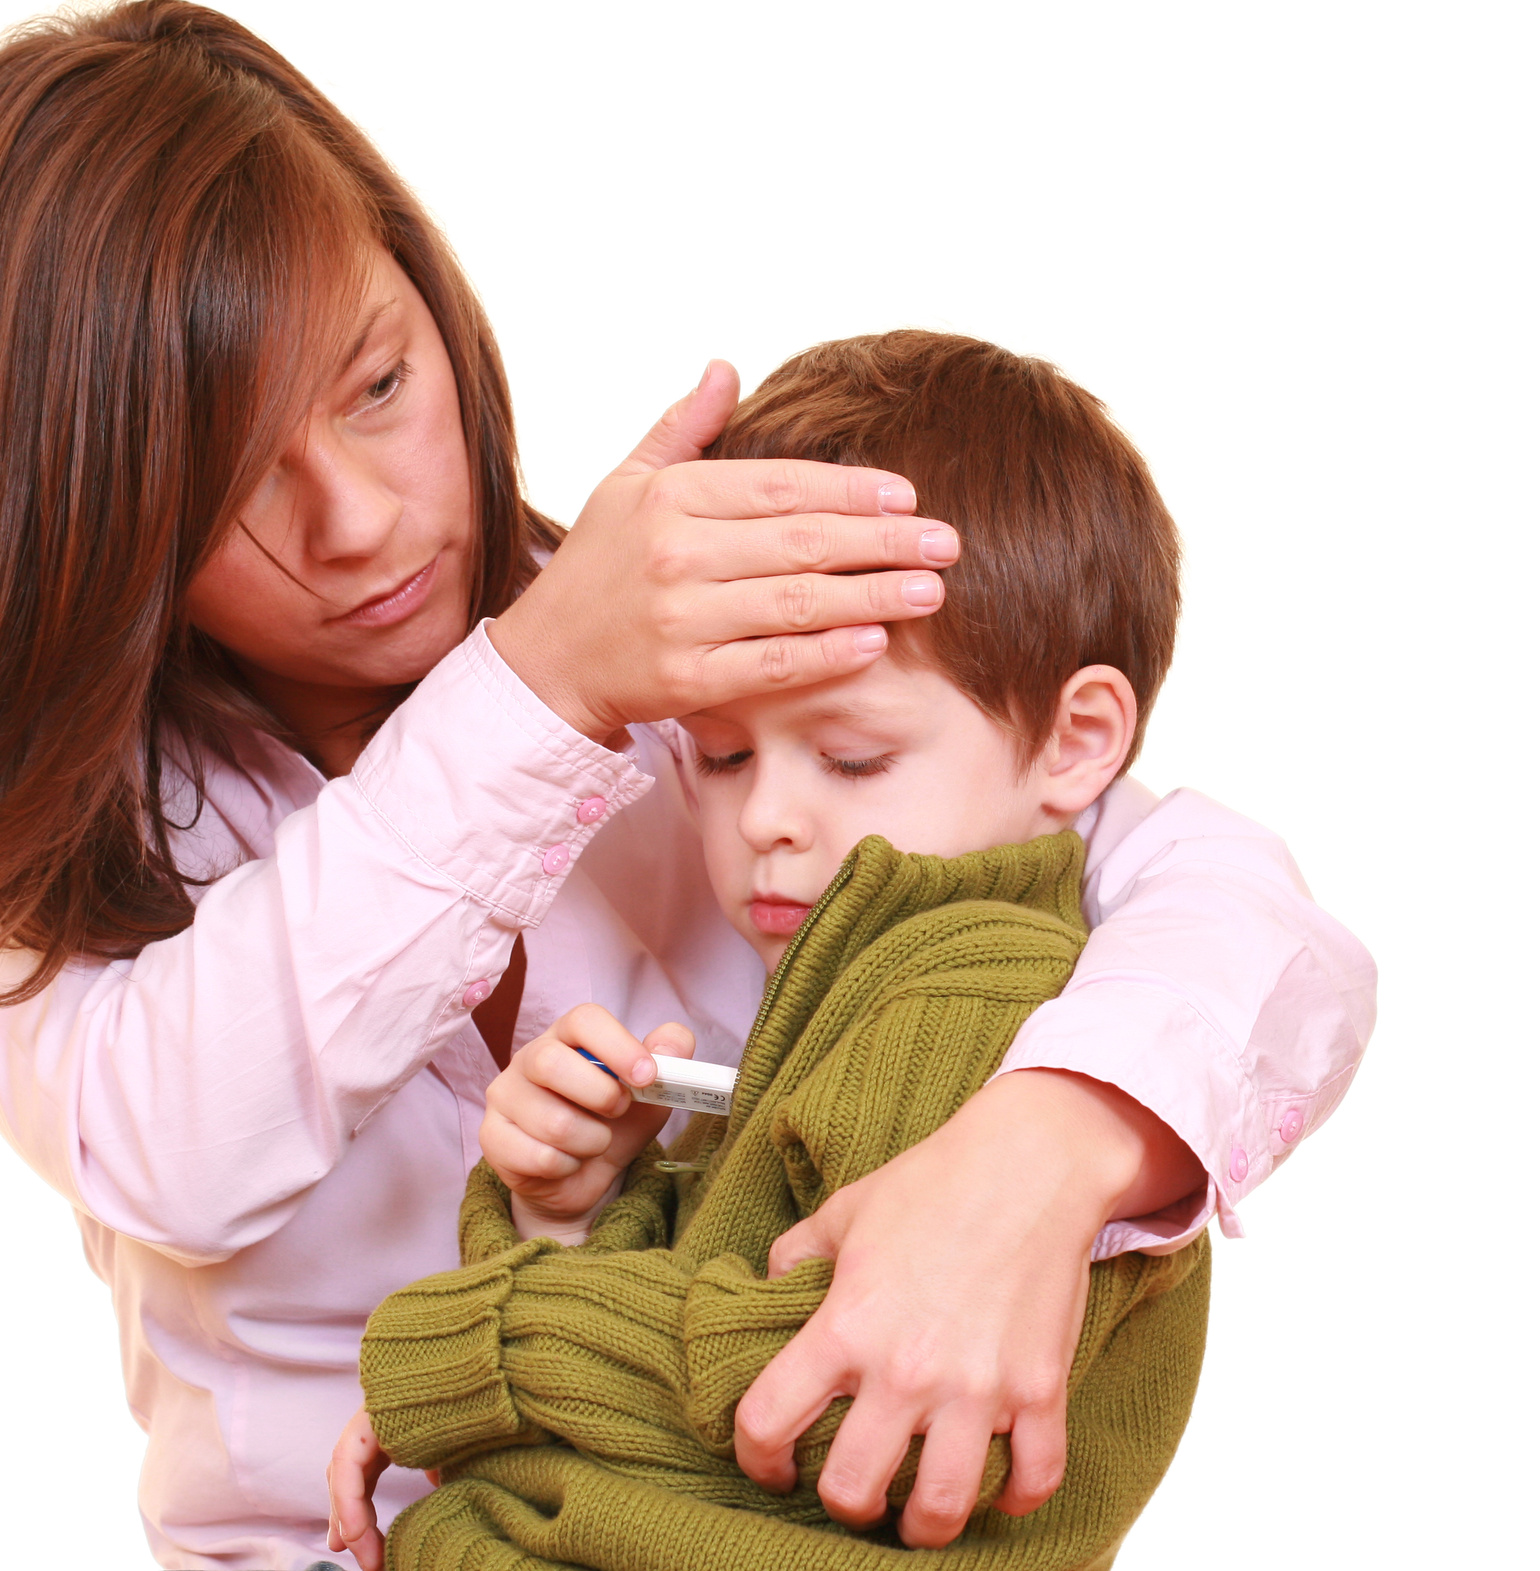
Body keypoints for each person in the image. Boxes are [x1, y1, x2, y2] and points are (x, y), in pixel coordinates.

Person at [0, 6, 1375, 1567]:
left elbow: (1212, 895)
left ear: (434, 305)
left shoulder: (724, 651)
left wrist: (1049, 1148)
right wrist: (544, 692)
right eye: (227, 475)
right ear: (80, 517)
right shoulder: (47, 833)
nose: (358, 520)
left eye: (377, 384)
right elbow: (177, 1139)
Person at [332, 331, 1227, 1571]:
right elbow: (716, 1323)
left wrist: (469, 1351)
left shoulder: (969, 997)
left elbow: (811, 1399)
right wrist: (573, 1212)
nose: (766, 818)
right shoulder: (843, 994)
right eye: (723, 754)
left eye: (852, 757)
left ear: (1076, 741)